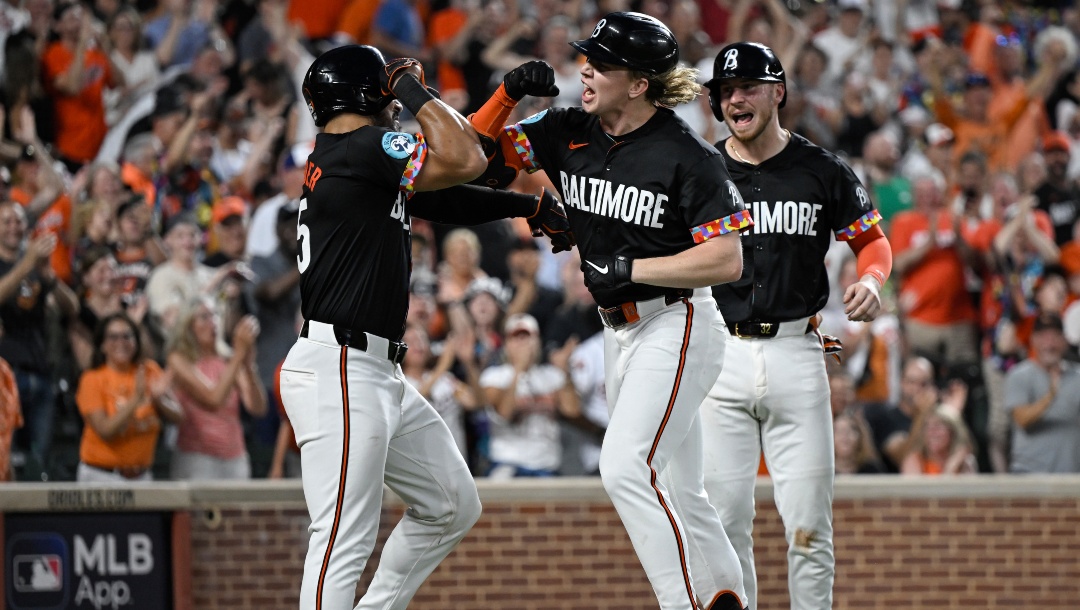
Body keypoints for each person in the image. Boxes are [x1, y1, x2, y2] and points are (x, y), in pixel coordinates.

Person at [470, 14, 749, 609]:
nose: (585, 68)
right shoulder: (568, 128)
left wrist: (631, 269)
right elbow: (475, 155)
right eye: (586, 57)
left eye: (602, 62)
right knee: (682, 490)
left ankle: (684, 604)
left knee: (624, 468)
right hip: (622, 335)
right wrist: (506, 94)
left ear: (640, 83)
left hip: (677, 321)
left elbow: (726, 260)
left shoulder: (686, 155)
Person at [279, 44, 571, 609]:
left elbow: (457, 187)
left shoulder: (353, 155)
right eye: (386, 90)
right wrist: (413, 89)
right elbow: (464, 157)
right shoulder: (361, 145)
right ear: (372, 91)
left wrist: (522, 200)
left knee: (451, 503)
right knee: (342, 539)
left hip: (372, 371)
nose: (395, 102)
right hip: (340, 367)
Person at [697, 42, 893, 610]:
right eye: (726, 91)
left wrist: (873, 281)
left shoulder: (822, 169)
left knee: (810, 529)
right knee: (724, 527)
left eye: (748, 87)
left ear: (777, 91)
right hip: (719, 355)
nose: (736, 99)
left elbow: (872, 240)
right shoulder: (702, 168)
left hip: (796, 352)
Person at [74, 312, 182, 482]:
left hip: (142, 475)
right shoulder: (92, 379)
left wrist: (159, 399)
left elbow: (178, 416)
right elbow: (105, 430)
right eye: (113, 337)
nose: (121, 343)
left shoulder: (149, 370)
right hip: (102, 475)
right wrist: (136, 399)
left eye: (127, 336)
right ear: (102, 345)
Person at [165, 298, 266, 480]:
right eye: (204, 317)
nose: (213, 323)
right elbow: (213, 399)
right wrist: (239, 355)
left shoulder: (228, 359)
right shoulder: (179, 359)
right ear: (189, 326)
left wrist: (249, 366)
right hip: (197, 457)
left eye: (215, 316)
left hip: (235, 457)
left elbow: (257, 407)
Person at [1003, 312, 1080, 473]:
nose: (1049, 344)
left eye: (1055, 337)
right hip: (1029, 475)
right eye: (1044, 337)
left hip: (1070, 477)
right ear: (1033, 340)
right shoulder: (1019, 375)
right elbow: (1022, 419)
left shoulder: (1077, 376)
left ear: (1064, 341)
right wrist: (1050, 397)